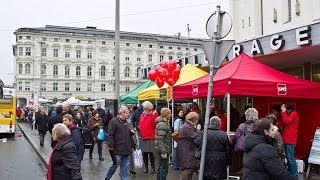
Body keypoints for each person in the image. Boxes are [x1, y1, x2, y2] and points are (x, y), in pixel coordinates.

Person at [194, 116, 231, 180]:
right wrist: (228, 162)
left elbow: (197, 142)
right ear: (219, 124)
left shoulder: (204, 133)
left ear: (210, 123)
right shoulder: (224, 135)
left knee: (206, 177)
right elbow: (228, 150)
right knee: (219, 177)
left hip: (206, 159)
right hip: (220, 161)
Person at [105, 106, 133, 180]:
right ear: (122, 113)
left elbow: (127, 133)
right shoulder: (113, 121)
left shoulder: (128, 122)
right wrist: (111, 146)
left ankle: (124, 178)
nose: (128, 115)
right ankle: (108, 177)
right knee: (115, 164)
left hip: (127, 148)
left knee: (125, 167)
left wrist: (131, 132)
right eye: (127, 113)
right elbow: (111, 134)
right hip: (117, 148)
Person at [176, 112, 202, 180]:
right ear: (194, 119)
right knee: (187, 173)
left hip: (186, 153)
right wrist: (198, 129)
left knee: (189, 173)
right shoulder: (187, 127)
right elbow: (196, 137)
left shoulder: (187, 126)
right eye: (197, 119)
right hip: (187, 154)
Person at [232, 107, 257, 172]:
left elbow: (235, 138)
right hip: (256, 149)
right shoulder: (259, 126)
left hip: (244, 149)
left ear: (246, 115)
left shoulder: (242, 126)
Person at [138, 101, 158, 174]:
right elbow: (140, 122)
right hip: (143, 136)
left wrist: (151, 115)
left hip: (150, 136)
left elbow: (154, 124)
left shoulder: (154, 114)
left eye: (145, 108)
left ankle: (153, 167)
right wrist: (139, 126)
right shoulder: (142, 115)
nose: (143, 109)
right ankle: (146, 167)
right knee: (144, 153)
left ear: (148, 108)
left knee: (151, 153)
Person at [281, 104, 299, 177]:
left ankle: (294, 175)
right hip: (287, 138)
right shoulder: (290, 114)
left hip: (290, 139)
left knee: (290, 157)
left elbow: (286, 121)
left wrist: (283, 112)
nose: (281, 110)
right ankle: (291, 173)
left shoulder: (294, 113)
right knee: (288, 157)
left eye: (283, 108)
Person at [155, 108, 172, 180]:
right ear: (166, 115)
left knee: (160, 167)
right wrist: (163, 151)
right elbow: (160, 139)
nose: (171, 114)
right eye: (169, 113)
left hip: (163, 148)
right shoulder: (162, 124)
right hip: (163, 149)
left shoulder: (164, 122)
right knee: (163, 169)